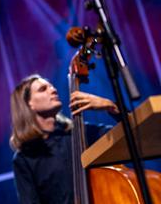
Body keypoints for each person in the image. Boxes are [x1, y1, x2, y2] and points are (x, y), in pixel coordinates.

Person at [9, 74, 119, 204]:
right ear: (29, 104)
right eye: (43, 89)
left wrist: (112, 107)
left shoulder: (78, 133)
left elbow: (129, 135)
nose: (53, 89)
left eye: (51, 86)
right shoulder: (25, 158)